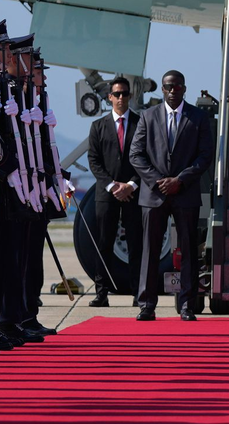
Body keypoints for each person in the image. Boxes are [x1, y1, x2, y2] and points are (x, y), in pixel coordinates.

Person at [129, 70, 214, 321]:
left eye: (177, 86)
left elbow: (205, 155)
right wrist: (158, 181)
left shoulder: (198, 117)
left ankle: (187, 304)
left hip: (185, 192)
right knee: (150, 249)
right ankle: (147, 304)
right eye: (168, 87)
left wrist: (180, 180)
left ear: (184, 89)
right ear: (162, 90)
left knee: (188, 249)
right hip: (153, 194)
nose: (173, 91)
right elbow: (136, 154)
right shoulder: (148, 116)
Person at [86, 76, 143, 307]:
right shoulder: (98, 126)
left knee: (136, 244)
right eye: (117, 94)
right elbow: (94, 160)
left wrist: (131, 184)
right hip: (106, 194)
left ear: (130, 96)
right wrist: (112, 185)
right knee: (104, 243)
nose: (121, 98)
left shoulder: (141, 124)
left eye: (125, 94)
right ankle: (101, 293)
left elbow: (147, 158)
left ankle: (139, 293)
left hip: (133, 193)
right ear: (109, 97)